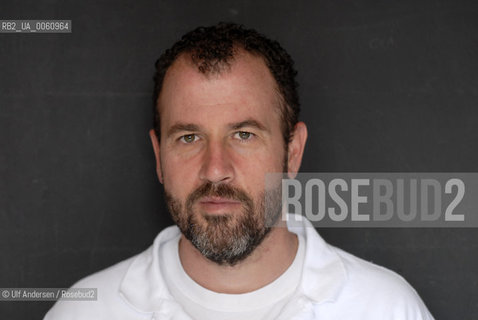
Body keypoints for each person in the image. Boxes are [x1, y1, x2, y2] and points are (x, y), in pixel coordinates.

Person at [44, 22, 434, 320]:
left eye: (244, 135)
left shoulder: (385, 309)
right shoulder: (86, 313)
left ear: (293, 153)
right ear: (159, 157)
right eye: (189, 137)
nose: (216, 169)